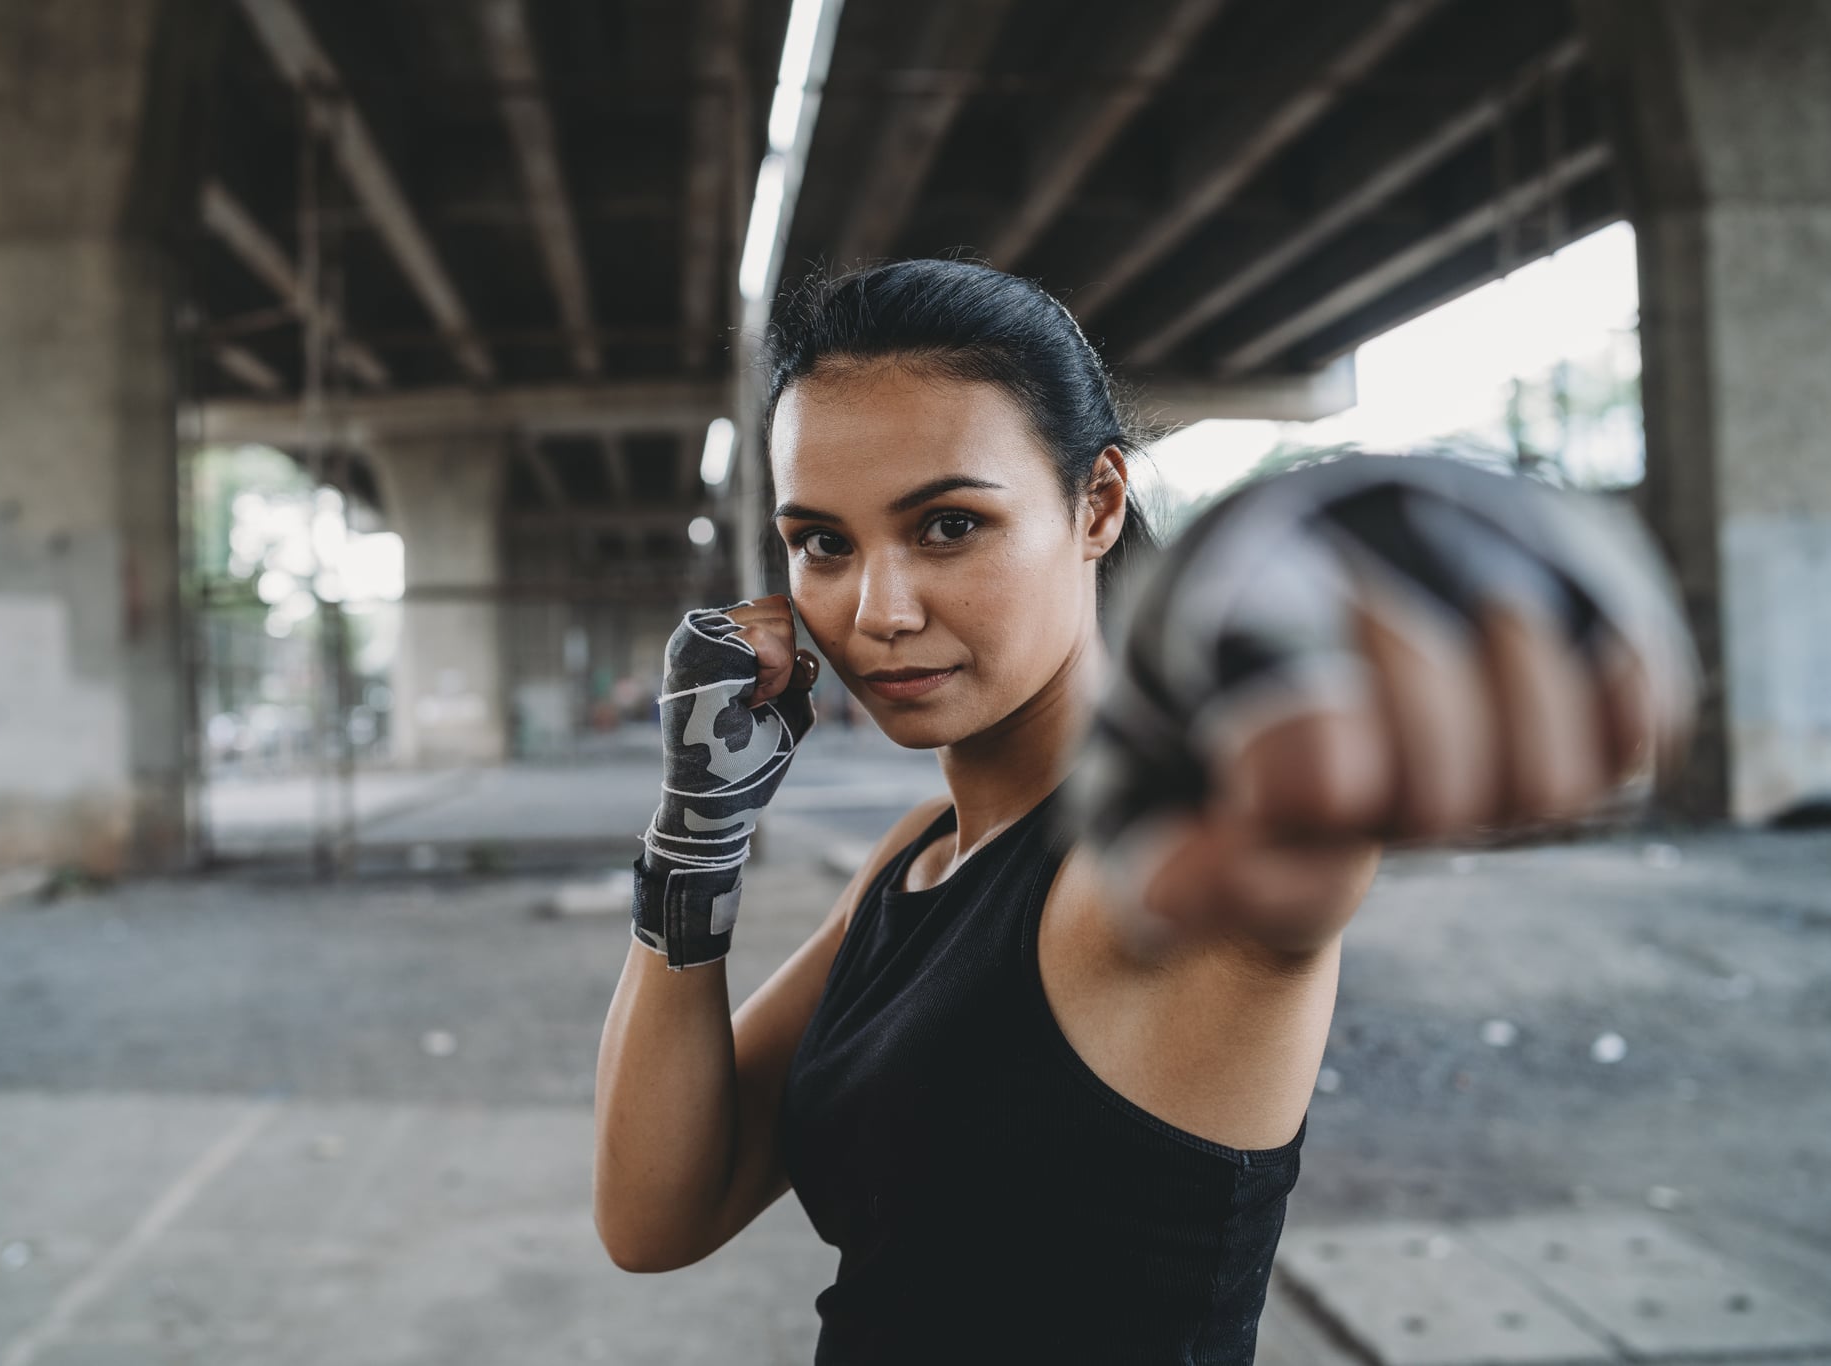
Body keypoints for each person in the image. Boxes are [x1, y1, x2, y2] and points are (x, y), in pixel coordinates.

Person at [592, 259, 1695, 1362]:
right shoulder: (921, 853)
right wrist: (695, 834)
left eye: (946, 526)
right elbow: (655, 1217)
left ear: (1097, 504)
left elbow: (1249, 861)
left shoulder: (1132, 876)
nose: (876, 610)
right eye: (822, 542)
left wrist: (1391, 631)